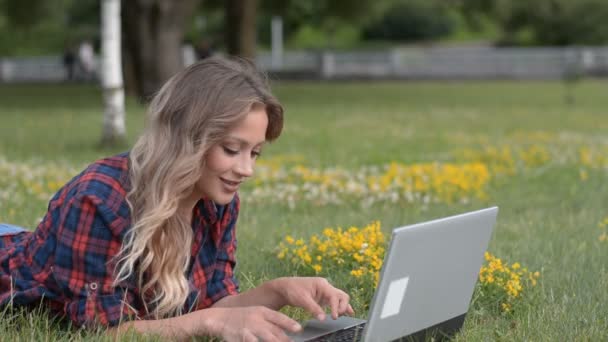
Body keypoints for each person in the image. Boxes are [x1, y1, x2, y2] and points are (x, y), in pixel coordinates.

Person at [0, 57, 354, 341]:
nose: (246, 170)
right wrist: (213, 323)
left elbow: (215, 304)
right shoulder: (98, 202)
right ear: (185, 141)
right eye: (232, 149)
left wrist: (280, 290)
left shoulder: (217, 201)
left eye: (255, 153)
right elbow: (104, 330)